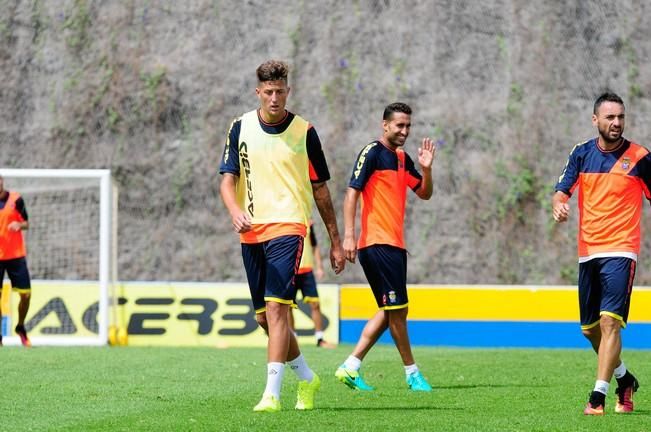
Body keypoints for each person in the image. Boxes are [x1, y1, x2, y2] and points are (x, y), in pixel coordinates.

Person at [219, 60, 345, 412]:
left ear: (288, 91)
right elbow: (227, 179)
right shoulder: (239, 126)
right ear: (258, 92)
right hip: (251, 230)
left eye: (280, 91)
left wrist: (336, 241)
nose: (274, 98)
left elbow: (320, 189)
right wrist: (234, 211)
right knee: (264, 318)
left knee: (277, 310)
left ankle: (271, 394)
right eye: (268, 92)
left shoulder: (305, 132)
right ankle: (306, 377)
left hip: (289, 225)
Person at [553, 92, 645, 415]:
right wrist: (559, 206)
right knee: (590, 329)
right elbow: (560, 191)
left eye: (621, 117)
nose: (616, 123)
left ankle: (597, 397)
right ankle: (625, 378)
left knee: (610, 324)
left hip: (622, 250)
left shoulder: (639, 157)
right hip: (588, 252)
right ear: (596, 120)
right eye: (610, 117)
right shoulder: (580, 154)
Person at [335, 102, 434, 392]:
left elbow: (424, 193)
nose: (404, 131)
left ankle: (350, 367)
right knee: (398, 311)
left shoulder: (403, 159)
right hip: (377, 243)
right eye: (399, 125)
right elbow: (352, 193)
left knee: (389, 309)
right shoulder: (372, 152)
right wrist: (349, 236)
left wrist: (427, 170)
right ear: (385, 125)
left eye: (408, 126)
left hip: (394, 245)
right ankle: (412, 374)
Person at [288, 221, 336, 348]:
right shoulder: (285, 219)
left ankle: (320, 339)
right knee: (287, 307)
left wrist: (319, 266)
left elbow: (314, 246)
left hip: (307, 269)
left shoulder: (308, 223)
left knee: (315, 304)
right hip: (289, 270)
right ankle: (292, 340)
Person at [0, 174, 32, 347]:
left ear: (2, 181)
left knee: (26, 295)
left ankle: (20, 327)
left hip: (16, 256)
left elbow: (27, 222)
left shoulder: (16, 199)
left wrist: (19, 225)